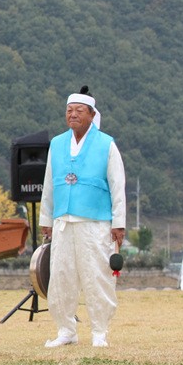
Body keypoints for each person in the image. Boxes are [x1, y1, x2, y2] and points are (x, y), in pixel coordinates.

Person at [40, 86, 126, 348]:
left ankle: (99, 331)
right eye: (69, 111)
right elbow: (49, 183)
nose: (73, 115)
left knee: (97, 276)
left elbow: (117, 185)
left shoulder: (106, 144)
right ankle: (66, 330)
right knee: (61, 277)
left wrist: (119, 223)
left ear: (92, 115)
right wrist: (46, 219)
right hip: (63, 221)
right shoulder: (57, 143)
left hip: (95, 222)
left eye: (79, 111)